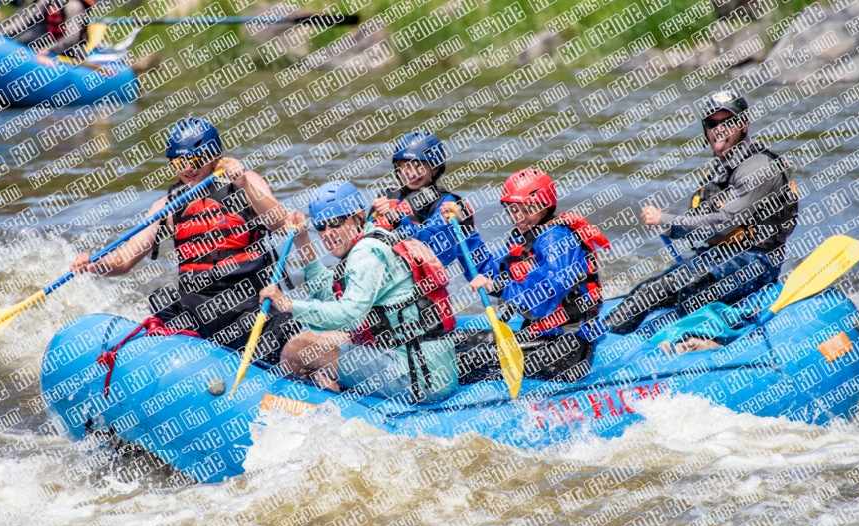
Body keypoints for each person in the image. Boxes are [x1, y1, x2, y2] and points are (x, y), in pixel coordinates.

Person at [71, 117, 298, 365]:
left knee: (283, 327)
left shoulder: (246, 182)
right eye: (180, 162)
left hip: (248, 305)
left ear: (215, 156)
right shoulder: (167, 207)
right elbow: (124, 260)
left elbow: (280, 223)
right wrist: (93, 264)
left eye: (197, 160)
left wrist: (243, 184)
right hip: (197, 311)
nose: (188, 169)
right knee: (163, 299)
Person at [603, 89, 799, 335]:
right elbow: (699, 220)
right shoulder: (722, 171)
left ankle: (688, 346)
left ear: (744, 125)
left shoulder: (757, 167)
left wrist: (666, 220)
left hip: (757, 262)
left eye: (728, 121)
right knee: (648, 291)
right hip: (718, 257)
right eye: (712, 123)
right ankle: (597, 340)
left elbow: (725, 222)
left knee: (693, 284)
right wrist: (671, 224)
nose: (719, 129)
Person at [258, 180, 459, 404]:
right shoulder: (370, 239)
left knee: (297, 350)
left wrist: (289, 305)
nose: (328, 233)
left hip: (419, 378)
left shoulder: (366, 253)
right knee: (311, 335)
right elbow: (325, 296)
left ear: (358, 216)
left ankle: (322, 410)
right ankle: (332, 397)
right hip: (424, 367)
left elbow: (350, 313)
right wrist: (302, 238)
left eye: (336, 222)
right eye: (321, 226)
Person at [457, 168, 609, 384]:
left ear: (546, 205)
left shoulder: (557, 239)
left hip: (567, 350)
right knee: (454, 341)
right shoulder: (524, 239)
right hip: (540, 339)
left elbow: (542, 302)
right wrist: (465, 231)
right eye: (513, 209)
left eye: (527, 208)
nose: (518, 216)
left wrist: (499, 287)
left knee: (466, 361)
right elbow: (485, 272)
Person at [372, 131, 490, 279]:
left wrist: (399, 220)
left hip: (423, 285)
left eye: (420, 166)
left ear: (435, 169)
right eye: (406, 166)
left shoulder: (447, 204)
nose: (412, 173)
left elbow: (436, 250)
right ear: (398, 167)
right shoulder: (387, 197)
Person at [0, 0, 94, 57]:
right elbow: (27, 21)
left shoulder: (74, 6)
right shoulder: (47, 1)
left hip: (71, 47)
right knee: (19, 40)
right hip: (49, 37)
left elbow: (72, 38)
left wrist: (48, 50)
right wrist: (2, 33)